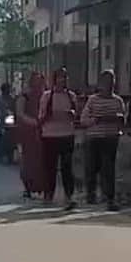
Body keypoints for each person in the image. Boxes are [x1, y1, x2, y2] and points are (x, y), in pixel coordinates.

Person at [79, 69, 128, 211]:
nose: (110, 85)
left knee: (109, 168)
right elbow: (84, 120)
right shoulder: (93, 100)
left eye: (112, 82)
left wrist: (118, 119)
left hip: (111, 138)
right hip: (94, 137)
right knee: (92, 167)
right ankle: (91, 194)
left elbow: (123, 120)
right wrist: (96, 120)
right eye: (107, 82)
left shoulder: (118, 101)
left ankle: (109, 197)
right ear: (101, 84)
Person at [38, 68, 80, 208]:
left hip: (67, 134)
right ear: (54, 80)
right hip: (50, 135)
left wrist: (71, 114)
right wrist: (49, 116)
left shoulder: (71, 96)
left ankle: (69, 196)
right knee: (50, 167)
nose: (62, 80)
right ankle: (48, 194)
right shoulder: (47, 96)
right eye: (59, 78)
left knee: (67, 167)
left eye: (64, 78)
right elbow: (41, 116)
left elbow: (77, 115)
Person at [14, 72, 47, 199]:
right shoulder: (24, 96)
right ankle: (27, 187)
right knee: (28, 161)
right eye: (36, 81)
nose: (39, 84)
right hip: (28, 133)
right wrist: (34, 122)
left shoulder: (46, 95)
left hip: (43, 132)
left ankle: (43, 187)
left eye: (41, 81)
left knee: (43, 161)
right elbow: (20, 113)